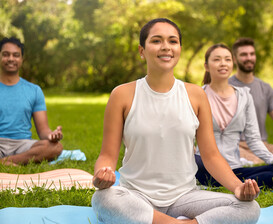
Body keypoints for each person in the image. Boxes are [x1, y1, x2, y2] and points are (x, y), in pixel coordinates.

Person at [91, 18, 261, 224]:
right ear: (142, 51)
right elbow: (107, 155)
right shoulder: (122, 95)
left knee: (249, 208)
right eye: (156, 41)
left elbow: (211, 156)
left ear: (180, 48)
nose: (166, 47)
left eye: (173, 41)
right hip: (136, 196)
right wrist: (102, 175)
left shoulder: (196, 95)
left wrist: (237, 188)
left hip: (184, 198)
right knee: (103, 198)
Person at [195, 43, 273, 189]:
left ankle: (232, 184)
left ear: (233, 63)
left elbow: (253, 139)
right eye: (217, 59)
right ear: (206, 66)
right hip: (205, 166)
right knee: (195, 161)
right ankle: (239, 185)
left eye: (227, 59)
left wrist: (272, 158)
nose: (223, 64)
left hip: (234, 169)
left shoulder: (244, 96)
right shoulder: (198, 95)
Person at [0, 37, 63, 166]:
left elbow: (43, 130)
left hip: (22, 145)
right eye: (6, 55)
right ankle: (15, 162)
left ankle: (6, 162)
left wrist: (52, 135)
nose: (11, 59)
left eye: (16, 55)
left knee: (56, 147)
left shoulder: (34, 90)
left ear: (21, 59)